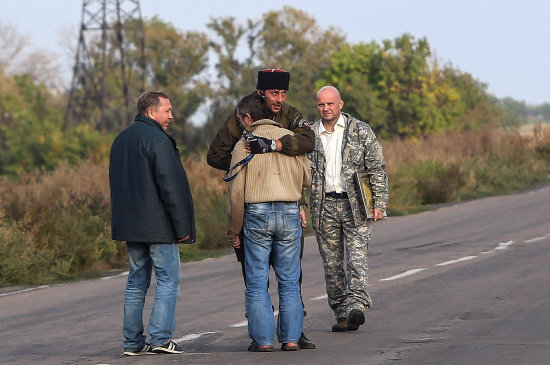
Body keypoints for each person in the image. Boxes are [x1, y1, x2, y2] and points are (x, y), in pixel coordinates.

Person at [207, 69, 316, 349]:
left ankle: (271, 337)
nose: (278, 99)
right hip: (285, 207)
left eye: (282, 93)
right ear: (260, 93)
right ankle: (287, 336)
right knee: (280, 278)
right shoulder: (241, 117)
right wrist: (246, 163)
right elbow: (215, 154)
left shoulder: (290, 115)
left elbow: (309, 140)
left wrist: (274, 147)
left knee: (268, 280)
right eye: (273, 94)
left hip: (257, 210)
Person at [109, 90, 196, 356]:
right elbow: (171, 187)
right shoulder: (158, 139)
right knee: (168, 280)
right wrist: (182, 228)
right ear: (151, 112)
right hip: (159, 225)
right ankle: (160, 339)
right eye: (167, 110)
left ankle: (133, 344)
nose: (171, 115)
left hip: (131, 226)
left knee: (136, 282)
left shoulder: (121, 139)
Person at [308, 86, 388, 332]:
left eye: (330, 104)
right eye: (321, 104)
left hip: (356, 204)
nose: (326, 108)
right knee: (331, 265)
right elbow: (300, 174)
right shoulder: (309, 134)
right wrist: (300, 205)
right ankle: (342, 312)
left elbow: (376, 166)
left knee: (356, 258)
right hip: (324, 206)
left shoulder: (360, 130)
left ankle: (357, 305)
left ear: (340, 104)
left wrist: (379, 203)